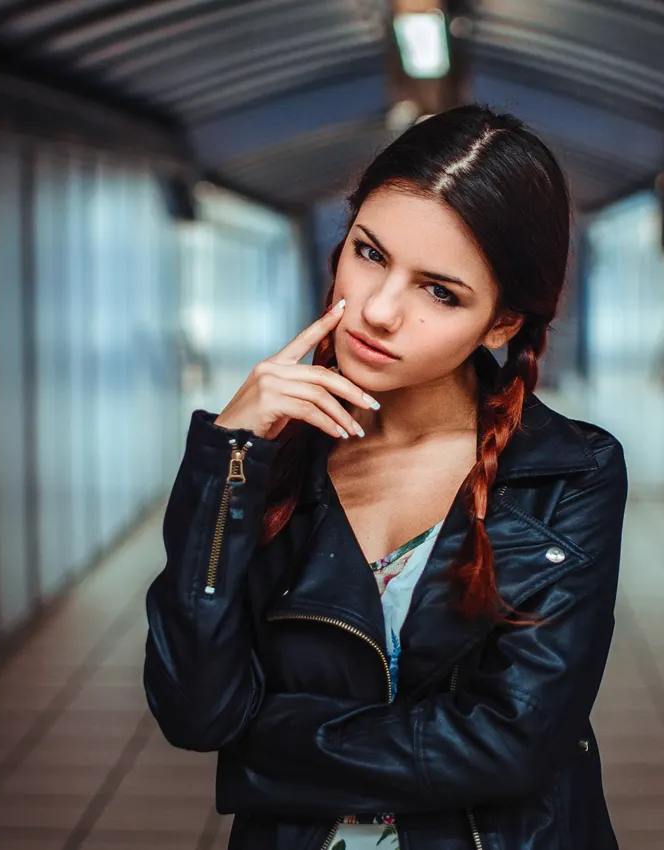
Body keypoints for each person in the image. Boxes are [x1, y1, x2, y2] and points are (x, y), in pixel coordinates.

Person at [143, 104, 628, 850]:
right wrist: (228, 460)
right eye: (369, 253)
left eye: (440, 291)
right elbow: (197, 710)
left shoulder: (570, 473)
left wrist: (260, 743)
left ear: (502, 323)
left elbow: (512, 742)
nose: (377, 311)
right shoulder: (265, 458)